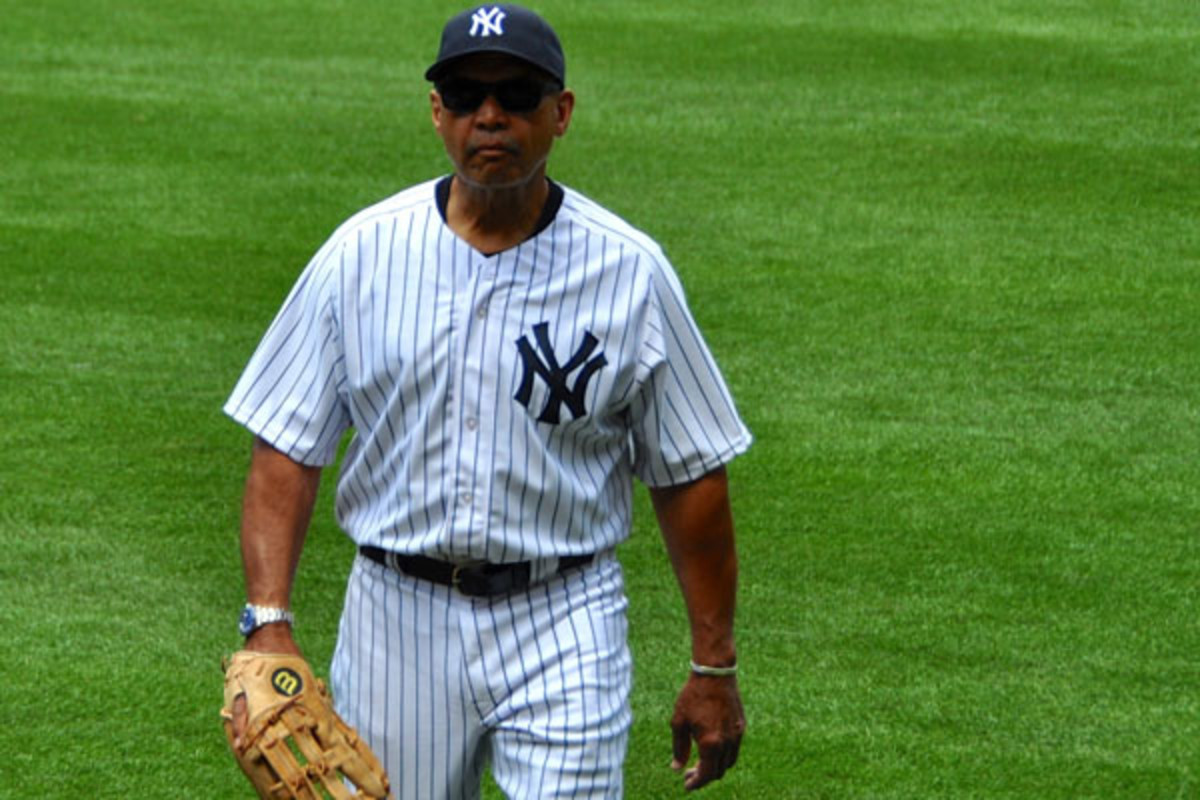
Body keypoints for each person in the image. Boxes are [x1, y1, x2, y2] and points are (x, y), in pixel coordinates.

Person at [224, 4, 752, 797]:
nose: (491, 115)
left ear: (561, 113)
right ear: (437, 112)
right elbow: (286, 449)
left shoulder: (630, 271)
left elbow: (690, 477)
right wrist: (268, 624)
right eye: (467, 96)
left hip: (564, 615)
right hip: (395, 619)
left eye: (518, 93)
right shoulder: (361, 254)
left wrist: (714, 664)